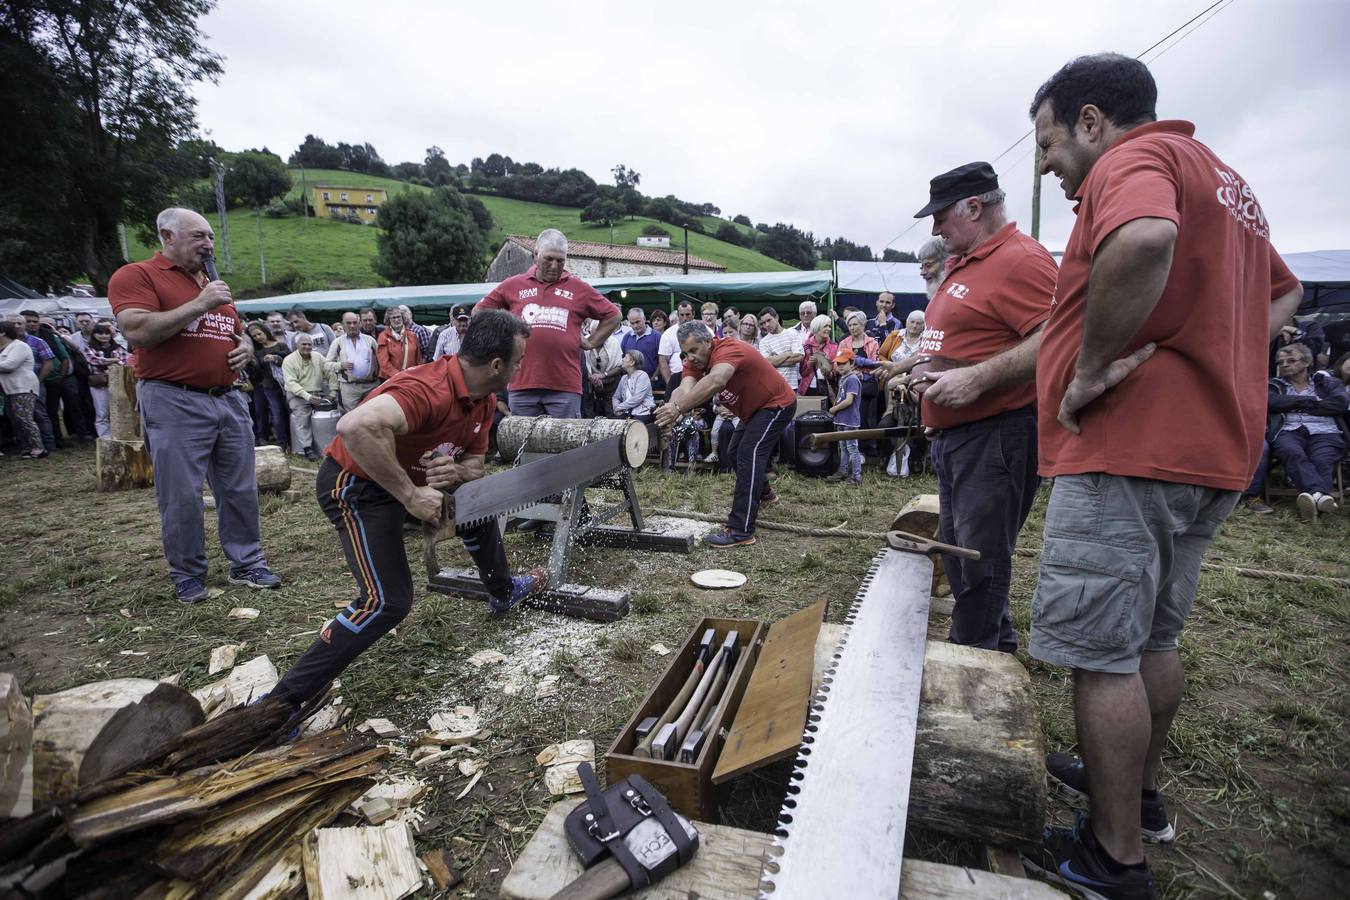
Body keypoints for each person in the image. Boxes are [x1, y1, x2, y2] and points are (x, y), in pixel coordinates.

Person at [1023, 54, 1304, 900]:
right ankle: (1138, 801)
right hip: (1211, 448)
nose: (1044, 162)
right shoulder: (1227, 180)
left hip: (1130, 448)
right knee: (1153, 638)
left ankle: (1113, 860)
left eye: (1046, 141)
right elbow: (1284, 296)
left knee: (1101, 654)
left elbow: (1145, 239)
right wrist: (1215, 346)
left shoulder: (1133, 162)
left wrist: (1093, 366)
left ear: (1092, 121)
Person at [266, 311, 547, 707]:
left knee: (477, 503)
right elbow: (356, 427)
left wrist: (456, 470)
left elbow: (476, 466)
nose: (520, 368)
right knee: (386, 602)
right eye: (518, 361)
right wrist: (411, 495)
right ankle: (281, 703)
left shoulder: (483, 399)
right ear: (497, 364)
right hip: (357, 484)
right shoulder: (427, 388)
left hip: (408, 483)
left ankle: (503, 591)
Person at [902, 161, 1058, 656]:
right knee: (964, 552)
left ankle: (971, 661)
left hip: (998, 433)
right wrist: (925, 367)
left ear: (974, 206)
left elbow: (1057, 340)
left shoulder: (1022, 259)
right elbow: (973, 339)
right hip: (962, 435)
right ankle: (996, 648)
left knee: (977, 557)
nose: (935, 229)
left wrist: (974, 379)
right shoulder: (969, 260)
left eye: (941, 216)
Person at [109, 207, 281, 603]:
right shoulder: (137, 276)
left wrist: (244, 347)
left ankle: (248, 563)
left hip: (228, 399)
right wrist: (201, 303)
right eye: (198, 237)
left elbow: (236, 333)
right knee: (181, 494)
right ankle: (188, 574)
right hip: (174, 399)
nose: (208, 244)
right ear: (167, 237)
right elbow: (136, 330)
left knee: (240, 488)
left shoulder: (211, 281)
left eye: (210, 237)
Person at [657, 321, 795, 547]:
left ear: (708, 342)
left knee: (748, 454)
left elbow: (717, 379)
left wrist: (677, 409)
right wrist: (669, 409)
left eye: (694, 350)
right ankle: (766, 494)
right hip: (753, 410)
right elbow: (684, 389)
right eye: (685, 353)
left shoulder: (728, 348)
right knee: (732, 451)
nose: (690, 357)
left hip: (776, 404)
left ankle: (741, 530)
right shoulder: (695, 363)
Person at [476, 228, 621, 418]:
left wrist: (591, 342)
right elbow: (479, 312)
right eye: (549, 259)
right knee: (523, 444)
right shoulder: (514, 284)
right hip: (522, 383)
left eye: (560, 261)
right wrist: (502, 340)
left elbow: (614, 315)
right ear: (536, 254)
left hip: (565, 385)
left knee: (565, 445)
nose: (554, 266)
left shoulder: (578, 288)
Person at [1266, 343, 1347, 521]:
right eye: (1281, 362)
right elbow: (1271, 402)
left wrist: (1292, 403)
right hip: (1288, 429)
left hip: (1326, 431)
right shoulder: (1273, 384)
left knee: (1322, 459)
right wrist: (1309, 402)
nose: (1285, 365)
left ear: (1307, 362)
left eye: (1291, 360)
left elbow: (1340, 403)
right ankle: (1319, 498)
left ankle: (1313, 501)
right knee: (1291, 452)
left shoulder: (1327, 382)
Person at [283, 334, 338, 461]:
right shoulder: (289, 360)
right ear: (297, 346)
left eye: (309, 344)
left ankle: (331, 447)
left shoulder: (318, 357)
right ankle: (307, 448)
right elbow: (291, 383)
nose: (307, 347)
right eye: (304, 344)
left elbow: (330, 372)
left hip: (317, 393)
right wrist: (307, 397)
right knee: (303, 417)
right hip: (297, 395)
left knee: (332, 413)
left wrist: (333, 393)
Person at [0, 321, 45, 459]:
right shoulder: (3, 347)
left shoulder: (19, 346)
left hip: (23, 387)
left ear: (2, 332)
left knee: (24, 418)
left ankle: (38, 448)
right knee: (15, 419)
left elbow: (10, 365)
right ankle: (26, 448)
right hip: (8, 389)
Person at [245, 321, 290, 447]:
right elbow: (258, 373)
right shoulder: (257, 352)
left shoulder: (281, 345)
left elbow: (291, 360)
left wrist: (277, 358)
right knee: (276, 414)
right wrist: (255, 364)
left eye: (259, 334)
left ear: (265, 331)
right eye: (254, 336)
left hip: (287, 384)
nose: (258, 337)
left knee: (288, 412)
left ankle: (291, 440)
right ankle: (282, 443)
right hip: (269, 385)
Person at [81, 322, 130, 437]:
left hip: (118, 383)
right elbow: (93, 360)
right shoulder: (89, 348)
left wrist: (110, 361)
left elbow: (126, 361)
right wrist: (114, 360)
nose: (104, 336)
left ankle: (119, 434)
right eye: (100, 333)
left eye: (106, 333)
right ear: (94, 334)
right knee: (101, 412)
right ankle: (104, 437)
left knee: (120, 410)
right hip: (99, 384)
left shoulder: (118, 347)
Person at [327, 312, 381, 413]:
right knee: (352, 417)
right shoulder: (337, 342)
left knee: (374, 414)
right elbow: (327, 364)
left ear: (359, 323)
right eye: (348, 323)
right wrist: (340, 365)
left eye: (355, 322)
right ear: (343, 324)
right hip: (350, 388)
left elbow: (381, 360)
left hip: (371, 385)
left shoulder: (370, 340)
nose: (352, 325)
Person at [825, 347, 863, 485]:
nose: (839, 366)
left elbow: (848, 400)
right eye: (838, 363)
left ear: (852, 363)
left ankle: (857, 475)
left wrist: (834, 409)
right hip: (841, 419)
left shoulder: (852, 379)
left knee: (852, 447)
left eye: (843, 363)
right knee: (843, 447)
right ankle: (843, 471)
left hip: (850, 420)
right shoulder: (843, 378)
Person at [583, 318, 623, 418]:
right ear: (590, 332)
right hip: (591, 385)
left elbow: (620, 367)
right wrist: (592, 378)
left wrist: (603, 375)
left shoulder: (614, 342)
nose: (598, 336)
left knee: (610, 413)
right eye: (594, 333)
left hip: (611, 384)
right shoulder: (584, 342)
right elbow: (581, 364)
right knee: (591, 414)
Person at [757, 307, 805, 391]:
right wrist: (787, 354)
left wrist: (775, 360)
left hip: (791, 387)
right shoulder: (763, 342)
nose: (766, 325)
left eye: (769, 320)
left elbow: (799, 357)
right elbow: (766, 364)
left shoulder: (792, 333)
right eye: (763, 323)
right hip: (773, 387)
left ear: (776, 317)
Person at [658, 301, 696, 396]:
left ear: (693, 314)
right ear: (677, 315)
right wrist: (670, 383)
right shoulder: (668, 334)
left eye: (688, 314)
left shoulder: (704, 330)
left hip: (698, 379)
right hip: (676, 379)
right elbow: (663, 361)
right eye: (682, 315)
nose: (685, 318)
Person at [611, 349, 656, 423]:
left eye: (625, 357)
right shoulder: (624, 378)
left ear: (632, 362)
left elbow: (636, 399)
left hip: (642, 413)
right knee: (612, 424)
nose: (622, 359)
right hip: (627, 413)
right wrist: (616, 407)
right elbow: (616, 397)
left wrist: (619, 407)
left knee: (632, 426)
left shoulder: (642, 376)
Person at [800, 314, 838, 399]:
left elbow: (836, 372)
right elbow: (802, 373)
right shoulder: (806, 346)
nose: (829, 329)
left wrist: (828, 372)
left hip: (827, 389)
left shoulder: (834, 346)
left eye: (829, 326)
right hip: (809, 388)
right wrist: (810, 364)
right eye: (825, 326)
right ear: (817, 328)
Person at [376, 307, 421, 374]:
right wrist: (398, 376)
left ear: (403, 318)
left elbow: (418, 360)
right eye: (393, 318)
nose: (396, 320)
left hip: (410, 377)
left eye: (398, 317)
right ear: (389, 320)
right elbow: (384, 363)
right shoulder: (383, 337)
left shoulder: (412, 335)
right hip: (391, 379)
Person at [620, 308, 660, 376]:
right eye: (632, 323)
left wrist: (654, 378)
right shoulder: (627, 337)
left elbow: (662, 361)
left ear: (644, 319)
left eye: (637, 322)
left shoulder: (656, 336)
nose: (635, 326)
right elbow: (622, 358)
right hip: (631, 381)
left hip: (652, 381)